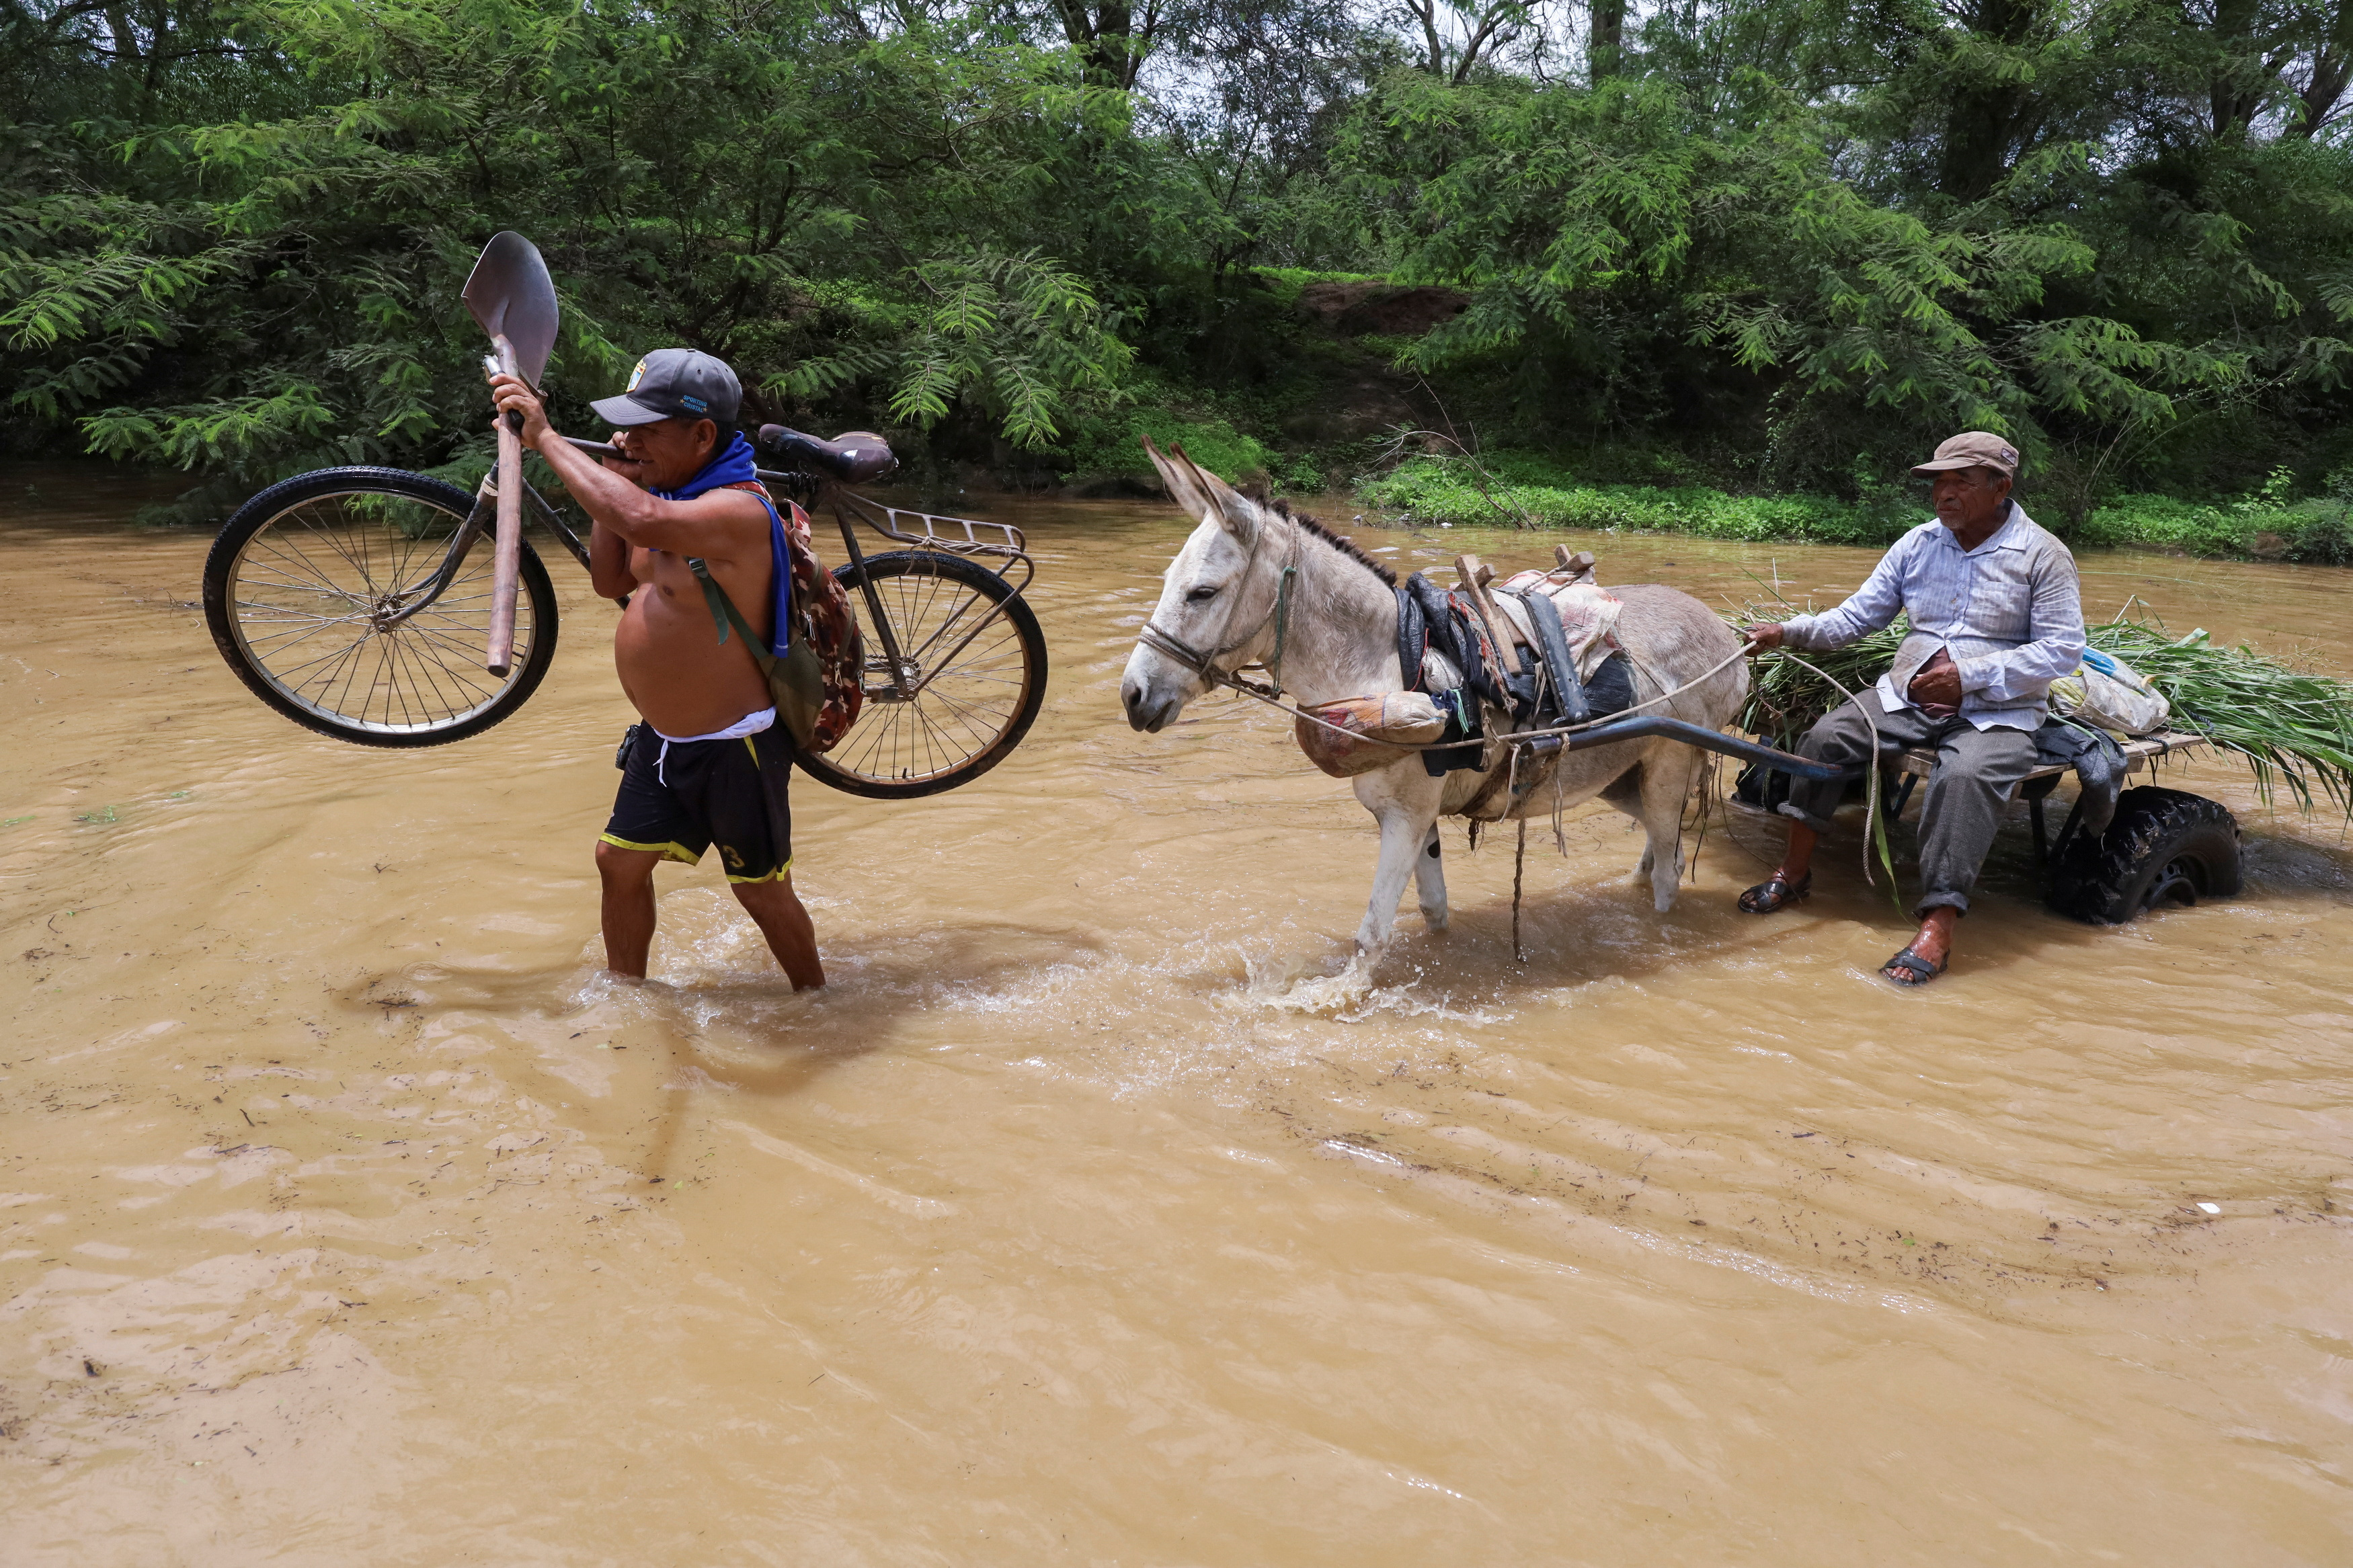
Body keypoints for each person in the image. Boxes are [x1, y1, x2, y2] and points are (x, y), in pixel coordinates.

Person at [491, 349, 825, 990]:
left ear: (703, 435)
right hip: (664, 738)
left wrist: (547, 438)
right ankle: (626, 998)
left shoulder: (737, 512)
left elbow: (642, 521)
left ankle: (817, 1002)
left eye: (647, 430)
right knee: (617, 863)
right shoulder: (665, 492)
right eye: (626, 426)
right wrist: (621, 478)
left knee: (760, 892)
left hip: (735, 748)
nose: (629, 439)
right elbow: (610, 577)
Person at [1739, 432, 2085, 985]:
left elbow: (2063, 649)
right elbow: (1857, 617)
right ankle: (1794, 871)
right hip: (1907, 696)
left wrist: (1970, 676)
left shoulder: (2042, 554)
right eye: (1938, 483)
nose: (1944, 494)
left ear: (2002, 487)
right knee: (1825, 740)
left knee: (1965, 776)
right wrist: (1789, 631)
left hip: (1999, 710)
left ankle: (1939, 923)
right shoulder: (1919, 544)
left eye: (1960, 482)